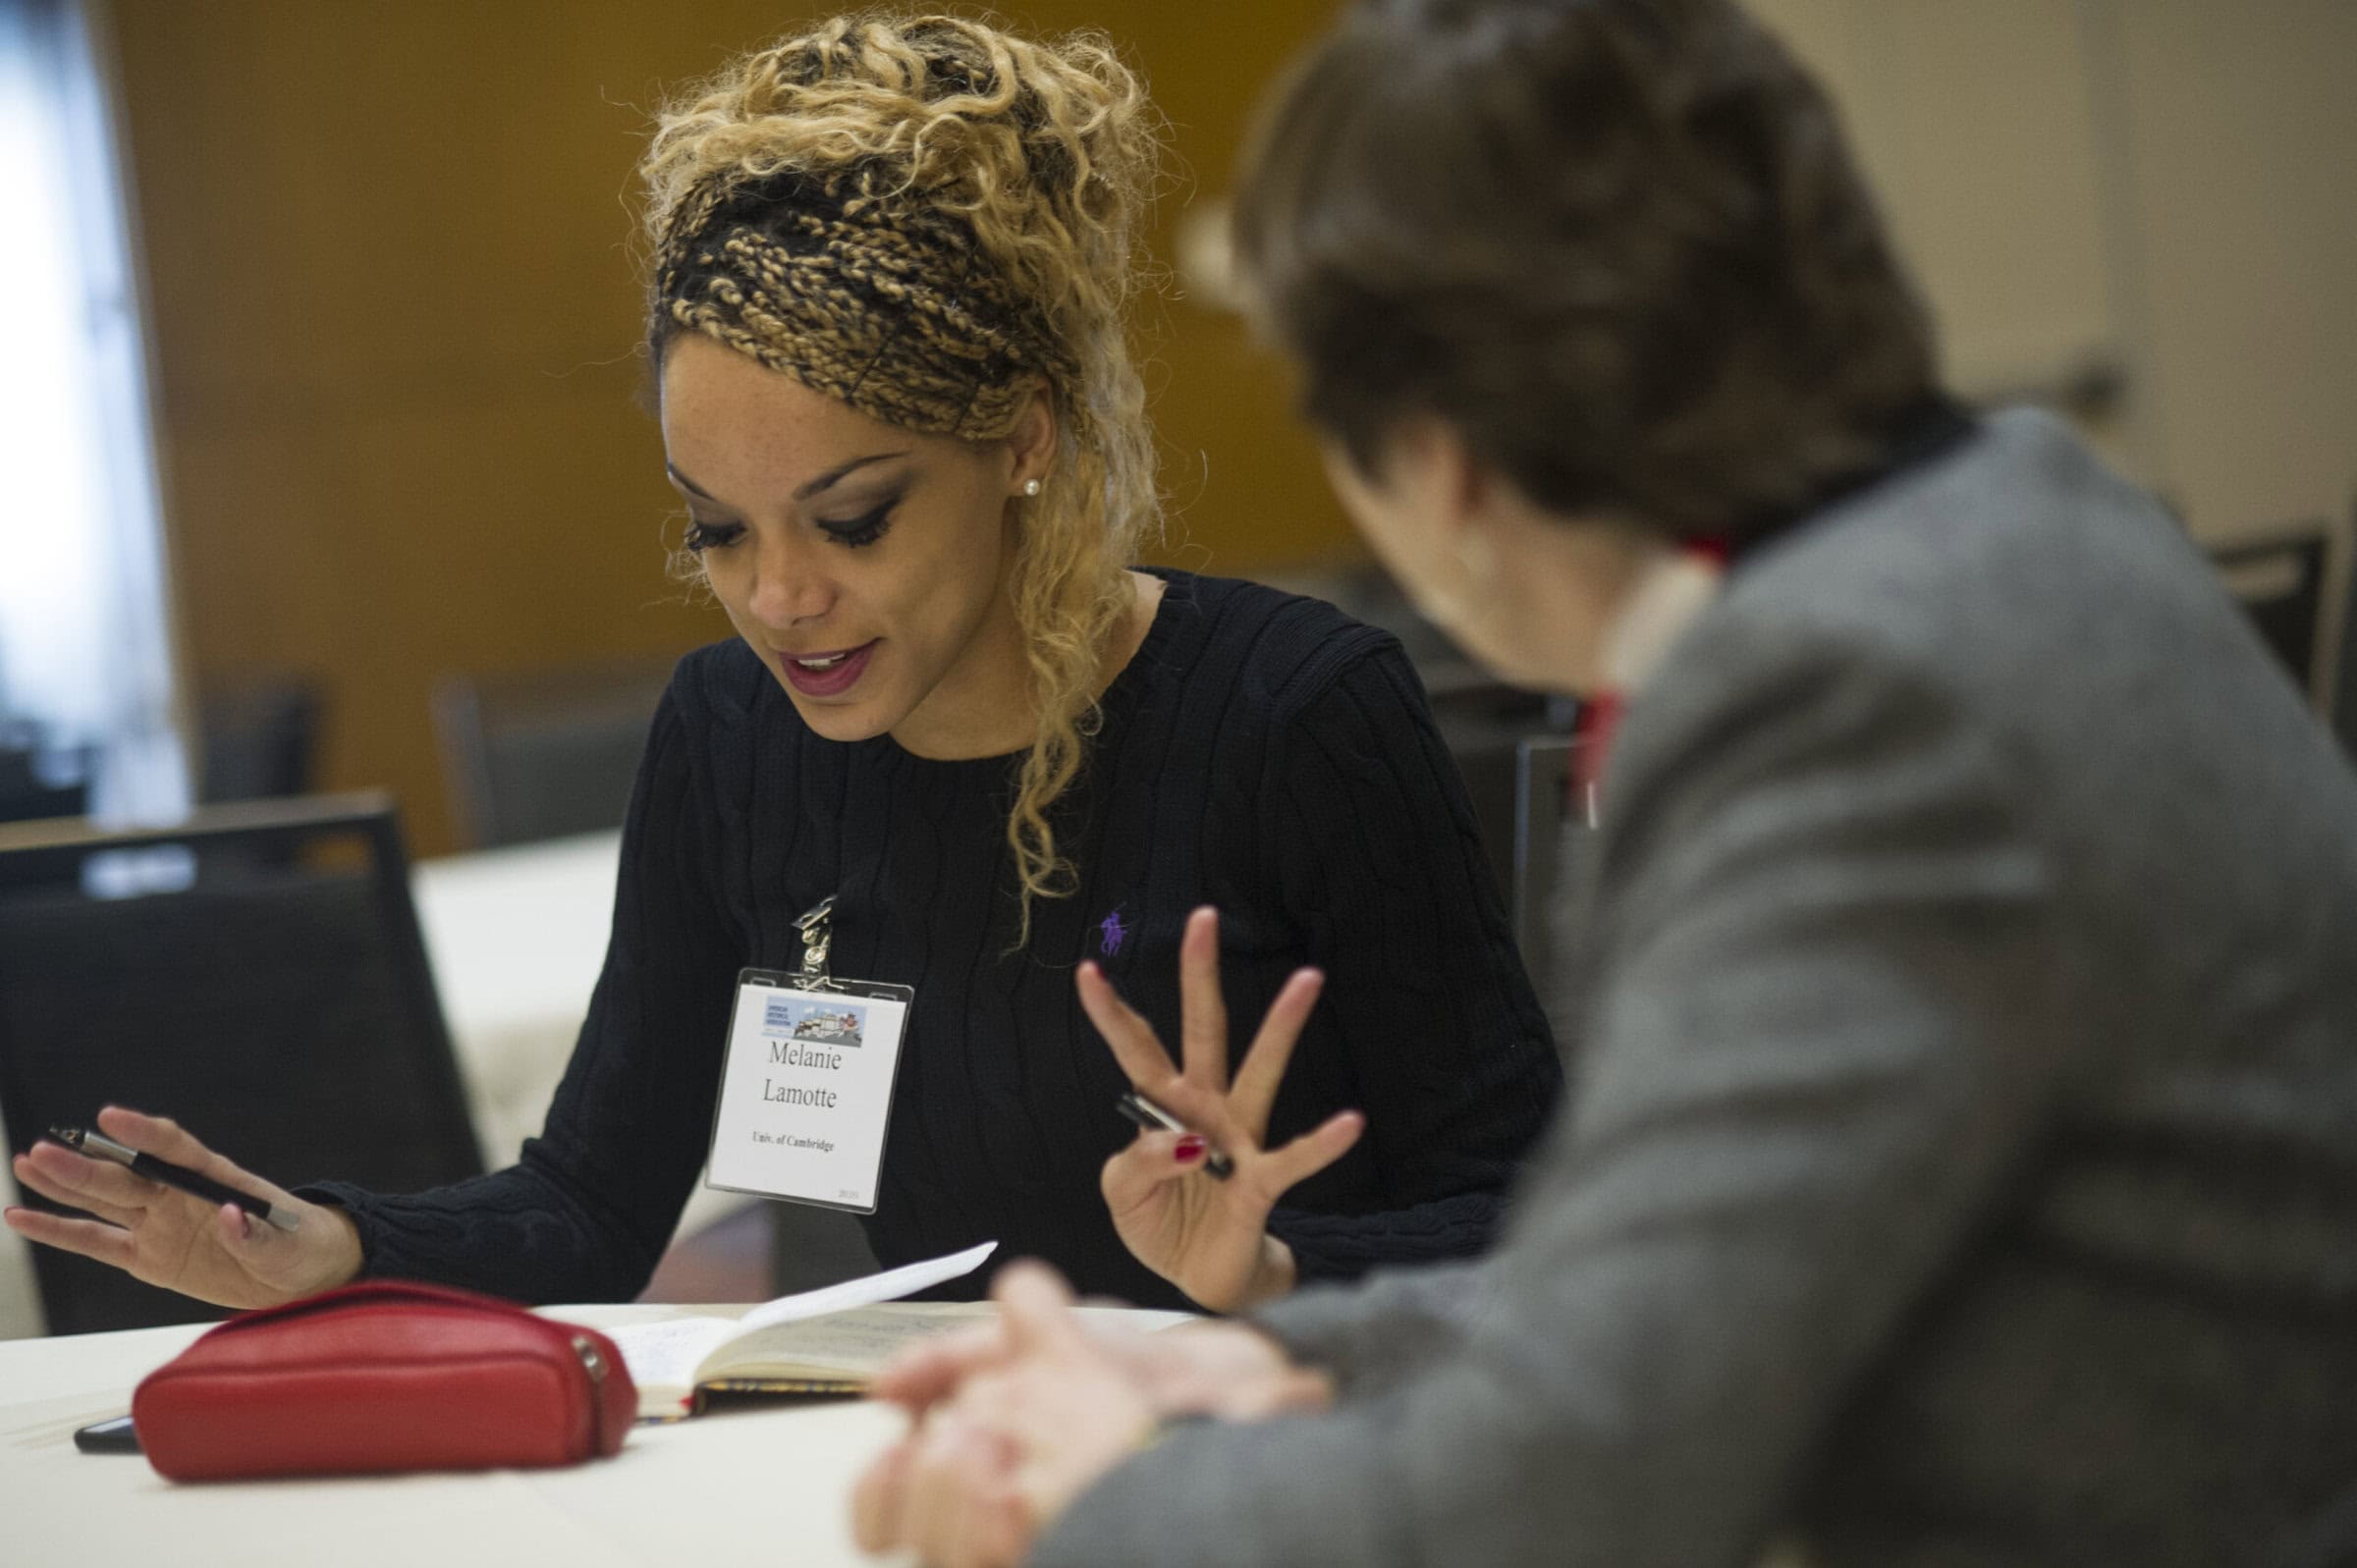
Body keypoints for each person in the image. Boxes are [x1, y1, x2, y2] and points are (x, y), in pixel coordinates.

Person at [848, 1, 2357, 1563]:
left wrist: (1104, 1498)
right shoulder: (2020, 525)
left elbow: (1588, 1487)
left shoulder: (1854, 707)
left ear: (1444, 464)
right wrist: (1264, 1355)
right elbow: (1689, 1298)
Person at [3, 14, 1562, 1319]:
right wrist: (336, 1240)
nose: (783, 598)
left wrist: (1274, 1266)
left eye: (855, 518)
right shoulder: (731, 739)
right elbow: (597, 1200)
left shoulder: (1294, 716)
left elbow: (1541, 1214)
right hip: (927, 1479)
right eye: (717, 532)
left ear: (1023, 436)